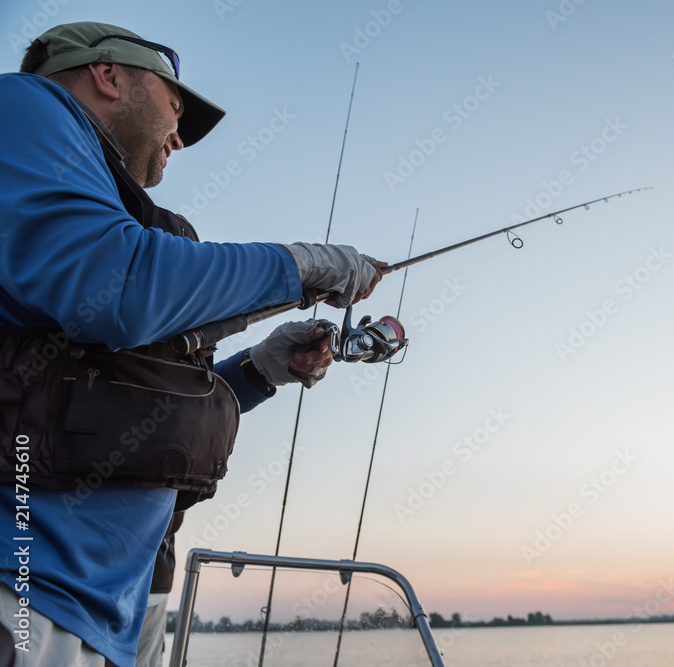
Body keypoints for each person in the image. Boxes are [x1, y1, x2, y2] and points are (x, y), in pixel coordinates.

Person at [0, 21, 386, 667]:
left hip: (112, 610)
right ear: (108, 74)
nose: (178, 136)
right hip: (29, 592)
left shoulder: (87, 213)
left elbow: (131, 401)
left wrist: (261, 369)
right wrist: (301, 266)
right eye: (174, 107)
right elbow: (117, 286)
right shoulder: (25, 104)